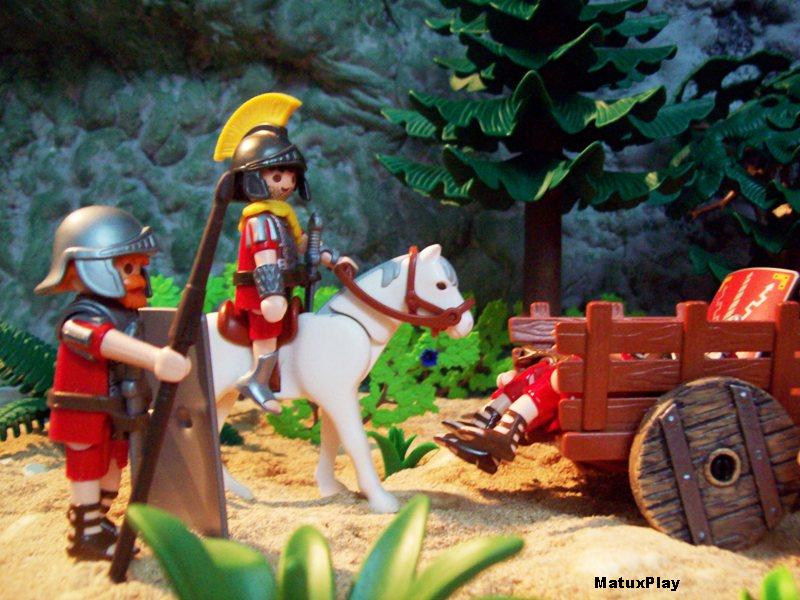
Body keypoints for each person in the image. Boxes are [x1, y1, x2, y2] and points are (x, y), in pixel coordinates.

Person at [34, 206, 191, 561]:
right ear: (94, 267)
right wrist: (154, 358)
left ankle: (98, 522)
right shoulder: (80, 319)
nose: (138, 278)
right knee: (88, 471)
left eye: (138, 268)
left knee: (111, 473)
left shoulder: (125, 313)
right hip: (85, 415)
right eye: (127, 268)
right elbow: (102, 340)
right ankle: (85, 533)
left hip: (118, 411)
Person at [213, 92, 355, 413]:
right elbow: (265, 258)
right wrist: (271, 293)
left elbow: (303, 244)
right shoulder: (259, 220)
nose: (287, 183)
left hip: (284, 289)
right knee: (266, 329)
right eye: (277, 176)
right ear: (255, 179)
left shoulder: (283, 217)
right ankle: (257, 380)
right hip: (260, 296)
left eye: (291, 176)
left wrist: (332, 260)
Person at [436, 347, 567, 474]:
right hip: (565, 377)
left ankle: (506, 433)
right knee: (539, 370)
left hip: (567, 394)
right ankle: (485, 431)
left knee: (555, 376)